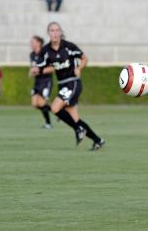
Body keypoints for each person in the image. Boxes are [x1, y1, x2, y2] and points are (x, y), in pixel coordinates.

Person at [31, 22, 105, 150]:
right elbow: (41, 66)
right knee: (75, 119)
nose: (54, 33)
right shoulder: (46, 51)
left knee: (55, 108)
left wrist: (80, 68)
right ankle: (97, 140)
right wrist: (36, 69)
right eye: (52, 30)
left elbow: (84, 58)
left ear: (60, 32)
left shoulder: (69, 46)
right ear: (48, 33)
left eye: (57, 30)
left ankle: (78, 129)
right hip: (62, 85)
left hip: (73, 82)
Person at [29, 36, 53, 129]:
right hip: (37, 81)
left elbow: (53, 68)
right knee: (35, 104)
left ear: (39, 43)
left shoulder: (46, 53)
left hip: (46, 81)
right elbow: (33, 67)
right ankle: (58, 110)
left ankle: (48, 123)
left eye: (33, 42)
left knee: (42, 103)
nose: (31, 44)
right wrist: (32, 71)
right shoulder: (32, 54)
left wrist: (40, 70)